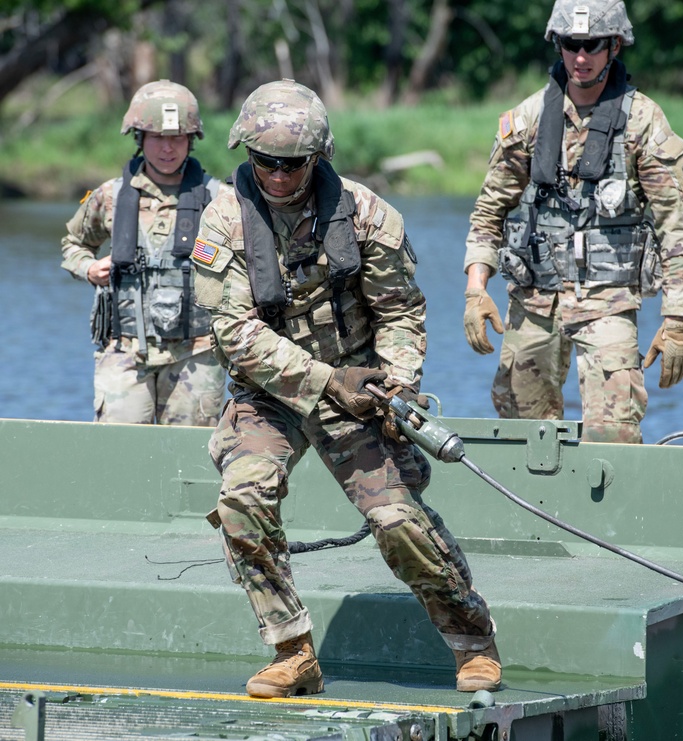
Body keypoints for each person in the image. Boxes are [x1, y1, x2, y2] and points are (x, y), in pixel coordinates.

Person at [191, 79, 501, 698]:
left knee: (396, 519)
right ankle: (292, 649)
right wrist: (327, 381)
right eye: (264, 163)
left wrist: (400, 387)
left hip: (361, 385)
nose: (277, 176)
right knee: (241, 499)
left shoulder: (366, 213)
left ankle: (473, 641)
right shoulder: (223, 217)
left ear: (319, 157)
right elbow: (235, 332)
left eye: (292, 164)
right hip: (271, 392)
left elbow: (400, 311)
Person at [462, 0, 683, 444]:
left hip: (608, 301)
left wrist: (677, 320)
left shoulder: (642, 122)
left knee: (612, 433)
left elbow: (677, 228)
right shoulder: (529, 119)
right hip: (534, 302)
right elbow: (489, 210)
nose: (580, 57)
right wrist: (476, 290)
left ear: (613, 46)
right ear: (558, 44)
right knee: (521, 434)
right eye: (571, 45)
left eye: (591, 45)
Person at [60, 79, 226, 426]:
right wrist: (89, 268)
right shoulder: (110, 195)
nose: (168, 148)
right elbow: (73, 244)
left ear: (191, 141)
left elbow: (250, 264)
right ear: (140, 139)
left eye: (177, 137)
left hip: (195, 351)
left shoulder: (219, 199)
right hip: (124, 349)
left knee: (190, 461)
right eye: (157, 138)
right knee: (118, 454)